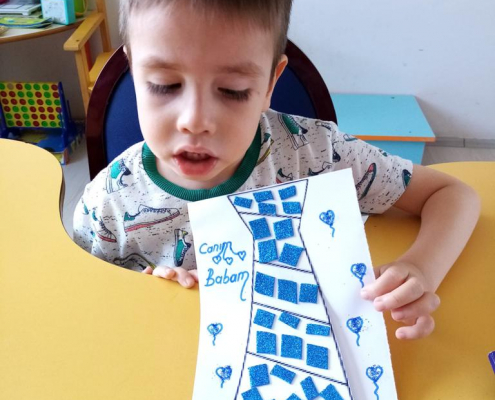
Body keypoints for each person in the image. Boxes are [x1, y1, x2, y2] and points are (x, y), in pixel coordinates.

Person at [73, 0, 480, 340]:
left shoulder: (316, 154)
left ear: (270, 83)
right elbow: (82, 308)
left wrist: (421, 267)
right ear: (133, 70)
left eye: (232, 91)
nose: (195, 121)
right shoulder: (106, 202)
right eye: (164, 84)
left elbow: (453, 195)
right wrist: (140, 296)